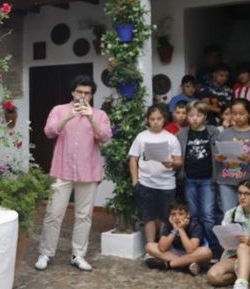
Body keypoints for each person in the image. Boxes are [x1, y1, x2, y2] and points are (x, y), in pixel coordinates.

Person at [35, 75, 112, 272]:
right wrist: (69, 116)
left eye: (87, 93)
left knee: (84, 216)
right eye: (80, 92)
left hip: (88, 171)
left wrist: (90, 117)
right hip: (63, 169)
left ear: (92, 95)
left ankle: (78, 254)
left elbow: (104, 137)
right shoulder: (59, 110)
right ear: (73, 93)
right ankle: (46, 252)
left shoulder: (99, 114)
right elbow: (49, 131)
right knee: (53, 213)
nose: (83, 96)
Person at [130, 104, 183, 247]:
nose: (155, 122)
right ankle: (151, 246)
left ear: (164, 119)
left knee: (166, 217)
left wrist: (171, 163)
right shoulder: (141, 137)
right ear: (148, 120)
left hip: (166, 184)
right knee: (148, 216)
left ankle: (164, 246)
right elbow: (133, 159)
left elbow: (179, 161)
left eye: (159, 118)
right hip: (146, 183)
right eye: (152, 119)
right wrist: (135, 182)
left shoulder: (171, 138)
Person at [176, 101, 219, 254]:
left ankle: (214, 248)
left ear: (205, 117)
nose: (194, 118)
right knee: (193, 215)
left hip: (208, 179)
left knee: (208, 215)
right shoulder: (181, 134)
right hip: (189, 179)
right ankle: (196, 246)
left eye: (199, 115)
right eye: (191, 115)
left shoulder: (213, 131)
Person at [214, 98, 250, 216]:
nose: (238, 117)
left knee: (246, 214)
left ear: (249, 114)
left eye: (242, 113)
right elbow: (217, 156)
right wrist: (219, 158)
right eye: (234, 113)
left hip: (247, 182)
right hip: (226, 179)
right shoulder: (224, 134)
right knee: (229, 214)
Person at [144, 201, 213, 275]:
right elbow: (162, 248)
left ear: (188, 215)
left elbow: (191, 250)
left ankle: (169, 264)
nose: (177, 217)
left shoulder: (195, 225)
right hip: (175, 253)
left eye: (181, 214)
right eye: (174, 214)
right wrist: (174, 230)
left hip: (193, 254)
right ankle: (185, 265)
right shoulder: (170, 224)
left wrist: (181, 229)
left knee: (206, 252)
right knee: (149, 246)